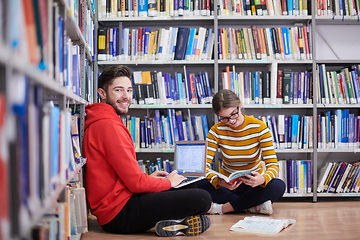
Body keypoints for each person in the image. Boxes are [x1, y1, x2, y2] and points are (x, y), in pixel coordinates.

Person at [82, 65, 212, 237]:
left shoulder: (106, 120)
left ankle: (172, 223)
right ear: (102, 93)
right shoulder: (108, 126)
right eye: (118, 90)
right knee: (202, 198)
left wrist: (150, 180)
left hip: (121, 201)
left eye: (128, 90)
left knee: (191, 186)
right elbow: (136, 183)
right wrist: (167, 183)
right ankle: (176, 222)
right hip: (119, 214)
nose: (125, 96)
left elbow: (124, 177)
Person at [197, 89, 286, 215]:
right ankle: (251, 206)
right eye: (224, 118)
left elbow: (273, 165)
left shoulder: (259, 127)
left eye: (234, 114)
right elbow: (203, 167)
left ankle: (222, 208)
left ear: (240, 106)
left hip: (253, 186)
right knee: (196, 184)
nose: (231, 121)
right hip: (227, 186)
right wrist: (219, 181)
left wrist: (262, 179)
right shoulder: (216, 131)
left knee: (278, 185)